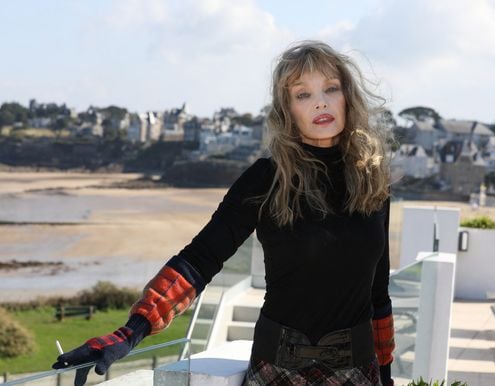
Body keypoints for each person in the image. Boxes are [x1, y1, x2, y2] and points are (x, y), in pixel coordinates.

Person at [53, 40, 396, 386]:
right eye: (302, 94)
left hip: (359, 374)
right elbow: (200, 258)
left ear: (348, 97)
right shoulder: (267, 178)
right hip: (277, 373)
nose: (320, 101)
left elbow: (377, 295)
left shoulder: (372, 180)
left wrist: (386, 376)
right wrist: (131, 332)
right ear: (287, 110)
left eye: (331, 88)